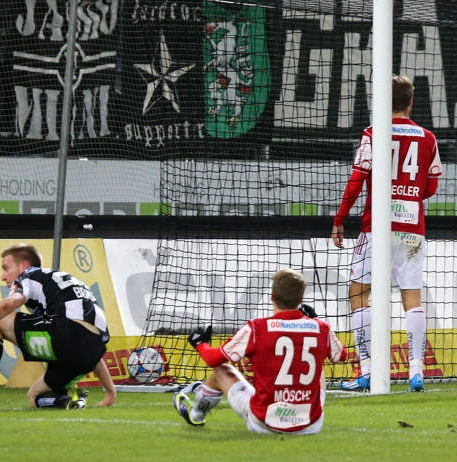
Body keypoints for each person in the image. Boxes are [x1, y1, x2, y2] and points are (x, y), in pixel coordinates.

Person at [332, 75, 442, 392]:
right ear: (410, 102)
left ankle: (367, 369)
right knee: (412, 296)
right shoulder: (427, 137)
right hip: (411, 229)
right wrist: (406, 196)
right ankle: (416, 371)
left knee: (358, 294)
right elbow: (431, 185)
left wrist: (340, 218)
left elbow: (357, 179)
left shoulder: (373, 133)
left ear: (381, 101)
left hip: (376, 228)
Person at [173, 268, 347, 435]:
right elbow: (342, 355)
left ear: (271, 297)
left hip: (264, 423)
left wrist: (200, 343)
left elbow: (213, 359)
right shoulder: (321, 327)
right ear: (301, 299)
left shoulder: (256, 328)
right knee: (319, 365)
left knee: (221, 371)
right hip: (310, 424)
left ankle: (195, 415)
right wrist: (314, 320)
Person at [0, 243, 117, 409]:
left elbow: (8, 305)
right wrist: (110, 391)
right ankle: (69, 402)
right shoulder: (61, 283)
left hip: (66, 334)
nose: (3, 276)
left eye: (6, 268)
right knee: (35, 396)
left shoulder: (28, 275)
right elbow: (88, 341)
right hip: (91, 351)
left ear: (23, 265)